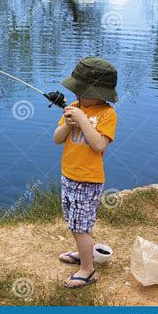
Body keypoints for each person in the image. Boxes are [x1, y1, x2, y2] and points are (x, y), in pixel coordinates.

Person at [53, 56, 118, 288]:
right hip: (68, 175)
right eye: (76, 91)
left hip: (88, 180)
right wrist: (68, 124)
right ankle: (85, 253)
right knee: (75, 222)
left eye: (82, 91)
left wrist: (83, 120)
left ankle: (87, 269)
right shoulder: (76, 108)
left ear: (99, 92)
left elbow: (99, 145)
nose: (77, 95)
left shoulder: (107, 114)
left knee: (81, 226)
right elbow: (57, 139)